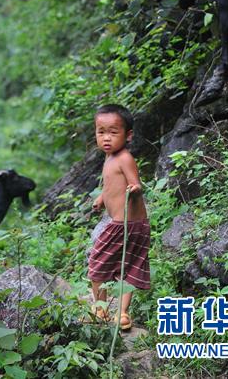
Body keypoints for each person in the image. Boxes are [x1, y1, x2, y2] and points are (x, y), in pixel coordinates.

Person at [87, 104, 151, 331]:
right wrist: (101, 199)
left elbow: (135, 183)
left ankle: (119, 312)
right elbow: (111, 185)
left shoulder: (124, 158)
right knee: (104, 264)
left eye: (113, 133)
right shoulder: (109, 158)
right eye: (101, 132)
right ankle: (103, 309)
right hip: (122, 223)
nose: (106, 138)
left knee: (114, 266)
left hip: (126, 225)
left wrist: (134, 189)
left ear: (128, 135)